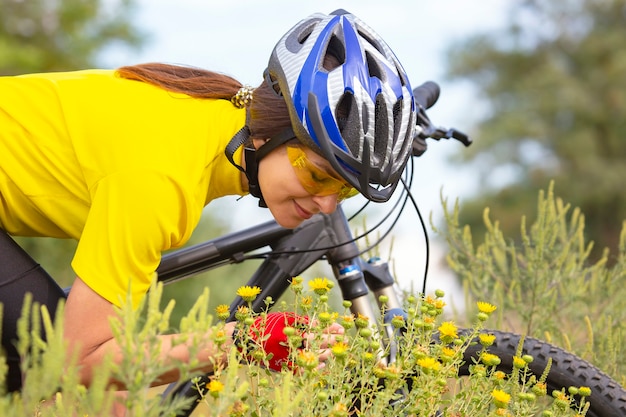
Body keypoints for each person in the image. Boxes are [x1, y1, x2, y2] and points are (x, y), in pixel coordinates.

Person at [0, 7, 416, 402]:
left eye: (343, 191)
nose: (327, 205)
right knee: (69, 367)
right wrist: (244, 339)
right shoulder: (165, 179)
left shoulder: (211, 111)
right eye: (318, 174)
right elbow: (81, 361)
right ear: (270, 130)